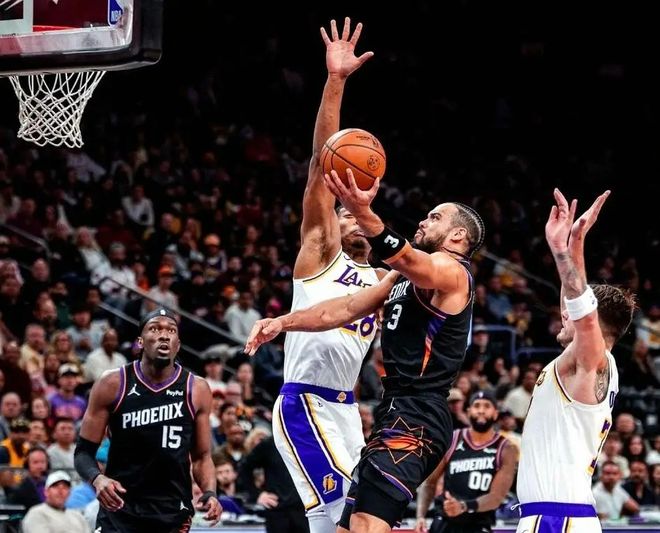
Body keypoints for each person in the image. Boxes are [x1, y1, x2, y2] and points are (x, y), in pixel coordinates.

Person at [246, 175, 484, 531]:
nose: (423, 221)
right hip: (393, 411)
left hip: (419, 415)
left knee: (364, 525)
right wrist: (281, 322)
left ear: (458, 236)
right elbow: (343, 309)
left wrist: (361, 211)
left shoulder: (453, 271)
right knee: (347, 525)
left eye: (435, 217)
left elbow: (410, 259)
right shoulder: (396, 278)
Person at [256, 17, 380, 533]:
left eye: (358, 212)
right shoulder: (322, 252)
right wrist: (335, 82)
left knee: (337, 523)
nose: (350, 217)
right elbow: (320, 165)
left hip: (348, 410)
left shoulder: (384, 279)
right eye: (342, 211)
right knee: (356, 512)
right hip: (304, 402)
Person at [515, 190, 636, 533]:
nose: (563, 313)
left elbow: (582, 310)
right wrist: (568, 245)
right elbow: (576, 302)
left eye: (573, 312)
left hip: (556, 519)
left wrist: (567, 247)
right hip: (559, 515)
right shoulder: (583, 363)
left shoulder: (593, 360)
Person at [74, 308, 221, 532]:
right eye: (155, 329)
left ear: (178, 345)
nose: (164, 335)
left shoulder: (196, 388)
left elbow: (202, 457)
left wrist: (210, 492)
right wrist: (97, 479)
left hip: (171, 510)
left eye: (171, 331)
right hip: (120, 507)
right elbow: (83, 452)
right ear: (140, 342)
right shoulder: (112, 383)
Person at [415, 390, 517, 533]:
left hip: (477, 524)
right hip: (445, 521)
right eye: (477, 405)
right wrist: (420, 516)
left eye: (487, 406)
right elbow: (429, 482)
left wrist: (463, 506)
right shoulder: (452, 439)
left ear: (495, 413)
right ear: (468, 412)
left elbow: (497, 497)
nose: (481, 410)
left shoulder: (506, 448)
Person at [21, 470, 88, 533]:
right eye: (55, 486)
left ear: (69, 493)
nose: (60, 491)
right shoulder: (36, 514)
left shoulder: (78, 516)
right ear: (46, 492)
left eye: (65, 487)